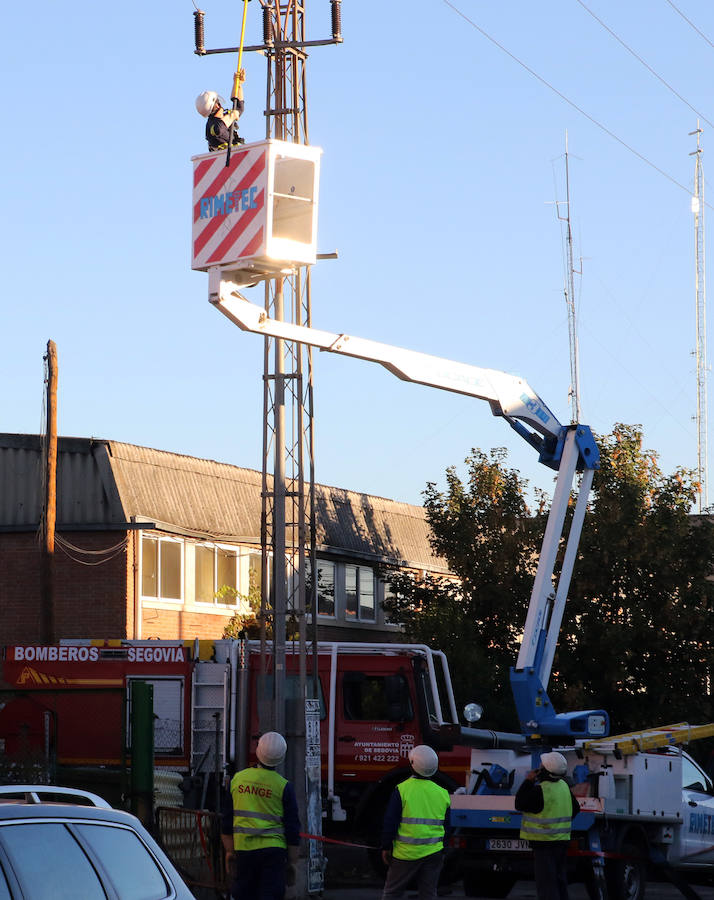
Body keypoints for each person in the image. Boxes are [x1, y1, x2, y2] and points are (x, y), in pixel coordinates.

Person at [221, 730, 300, 900]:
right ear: (282, 756)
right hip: (274, 853)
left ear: (258, 751)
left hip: (244, 851)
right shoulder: (284, 786)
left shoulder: (237, 780)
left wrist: (229, 851)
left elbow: (227, 821)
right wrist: (293, 862)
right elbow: (293, 828)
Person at [380, 744, 451, 900]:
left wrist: (386, 846)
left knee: (392, 893)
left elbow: (390, 821)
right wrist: (443, 849)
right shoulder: (443, 793)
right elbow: (447, 827)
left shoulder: (402, 789)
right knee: (428, 894)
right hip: (434, 853)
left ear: (412, 764)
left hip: (405, 854)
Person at [515, 751, 580, 900]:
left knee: (547, 886)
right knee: (559, 881)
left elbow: (519, 803)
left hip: (544, 844)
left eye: (540, 767)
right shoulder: (563, 786)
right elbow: (575, 809)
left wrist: (528, 781)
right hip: (561, 841)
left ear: (544, 771)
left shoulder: (540, 790)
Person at [195, 69, 246, 152]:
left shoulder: (224, 118)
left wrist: (238, 84)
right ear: (216, 105)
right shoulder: (212, 125)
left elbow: (239, 108)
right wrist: (231, 116)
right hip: (225, 162)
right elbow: (218, 129)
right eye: (218, 101)